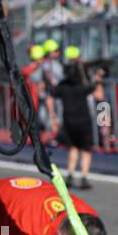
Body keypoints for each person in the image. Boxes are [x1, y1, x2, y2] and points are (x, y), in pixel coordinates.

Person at [48, 47, 101, 189]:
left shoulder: (63, 86)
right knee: (86, 149)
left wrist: (53, 117)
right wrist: (98, 80)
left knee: (72, 148)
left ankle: (70, 174)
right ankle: (84, 176)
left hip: (68, 120)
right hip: (83, 120)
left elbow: (51, 94)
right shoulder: (83, 85)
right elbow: (98, 95)